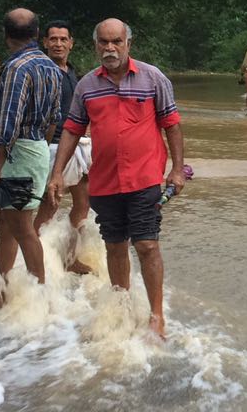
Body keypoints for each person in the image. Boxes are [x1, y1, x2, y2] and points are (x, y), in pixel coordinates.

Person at [49, 18, 186, 340]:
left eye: (116, 42)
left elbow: (172, 124)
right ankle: (122, 308)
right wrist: (57, 174)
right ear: (95, 45)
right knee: (115, 246)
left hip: (145, 178)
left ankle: (156, 316)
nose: (110, 48)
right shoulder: (86, 86)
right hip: (105, 181)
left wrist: (177, 169)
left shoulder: (153, 78)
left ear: (128, 44)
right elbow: (72, 129)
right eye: (104, 42)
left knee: (147, 244)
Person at [0, 8, 62, 300]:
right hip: (35, 150)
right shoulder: (51, 67)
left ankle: (40, 297)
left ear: (5, 35)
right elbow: (54, 119)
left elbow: (9, 123)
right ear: (37, 34)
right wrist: (40, 151)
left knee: (22, 227)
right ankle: (1, 288)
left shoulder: (16, 68)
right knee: (5, 222)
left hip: (15, 155)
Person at [32, 20, 93, 274]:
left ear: (71, 43)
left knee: (83, 203)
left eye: (63, 39)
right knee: (49, 206)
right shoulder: (42, 72)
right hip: (53, 147)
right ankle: (30, 262)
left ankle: (69, 258)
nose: (58, 44)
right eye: (53, 39)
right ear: (45, 42)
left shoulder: (71, 72)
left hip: (77, 144)